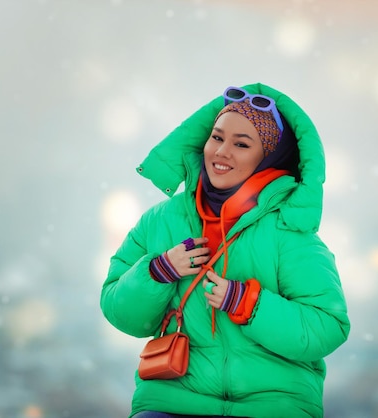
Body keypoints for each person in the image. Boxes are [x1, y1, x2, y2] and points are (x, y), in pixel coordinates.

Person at [100, 83, 350, 418]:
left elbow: (328, 326)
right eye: (217, 138)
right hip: (172, 401)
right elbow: (120, 311)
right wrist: (157, 272)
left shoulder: (290, 233)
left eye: (242, 144)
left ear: (270, 158)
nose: (221, 152)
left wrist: (249, 305)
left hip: (272, 406)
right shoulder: (160, 221)